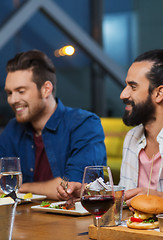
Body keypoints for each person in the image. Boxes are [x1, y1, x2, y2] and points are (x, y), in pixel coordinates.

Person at [57, 38, 163, 216]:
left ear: (159, 93)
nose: (123, 94)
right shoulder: (132, 137)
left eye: (132, 86)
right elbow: (126, 201)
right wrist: (90, 193)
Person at [0, 50, 107, 199]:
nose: (12, 100)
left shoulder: (84, 124)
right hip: (22, 219)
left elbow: (72, 188)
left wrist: (20, 188)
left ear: (46, 89)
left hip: (72, 221)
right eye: (9, 93)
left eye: (21, 91)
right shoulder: (12, 129)